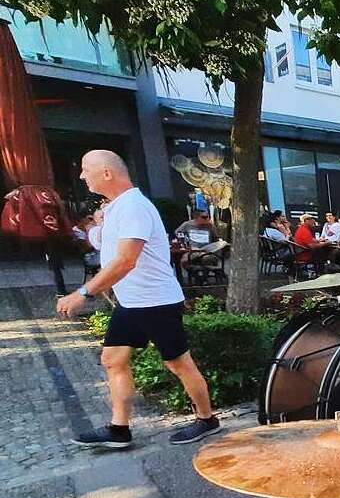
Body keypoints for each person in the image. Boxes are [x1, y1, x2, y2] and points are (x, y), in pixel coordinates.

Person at [56, 150, 220, 448]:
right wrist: (92, 226)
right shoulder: (118, 207)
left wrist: (83, 292)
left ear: (107, 173)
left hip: (156, 302)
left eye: (85, 169)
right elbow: (102, 241)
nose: (81, 176)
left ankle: (207, 420)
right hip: (132, 304)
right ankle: (119, 429)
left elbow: (126, 260)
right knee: (112, 359)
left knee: (178, 363)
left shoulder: (134, 206)